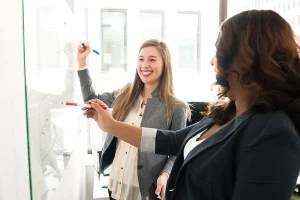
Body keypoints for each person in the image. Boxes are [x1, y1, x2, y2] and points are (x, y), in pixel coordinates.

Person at [83, 10, 300, 200]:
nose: (212, 61)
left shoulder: (274, 132)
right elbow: (172, 140)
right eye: (141, 59)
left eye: (219, 51)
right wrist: (110, 126)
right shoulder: (227, 112)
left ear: (247, 58)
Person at [77, 39, 189, 200]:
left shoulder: (176, 107)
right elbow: (91, 100)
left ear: (165, 64)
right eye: (141, 59)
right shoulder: (126, 93)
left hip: (145, 191)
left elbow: (177, 151)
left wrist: (165, 174)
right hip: (116, 184)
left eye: (152, 59)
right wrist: (82, 62)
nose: (144, 65)